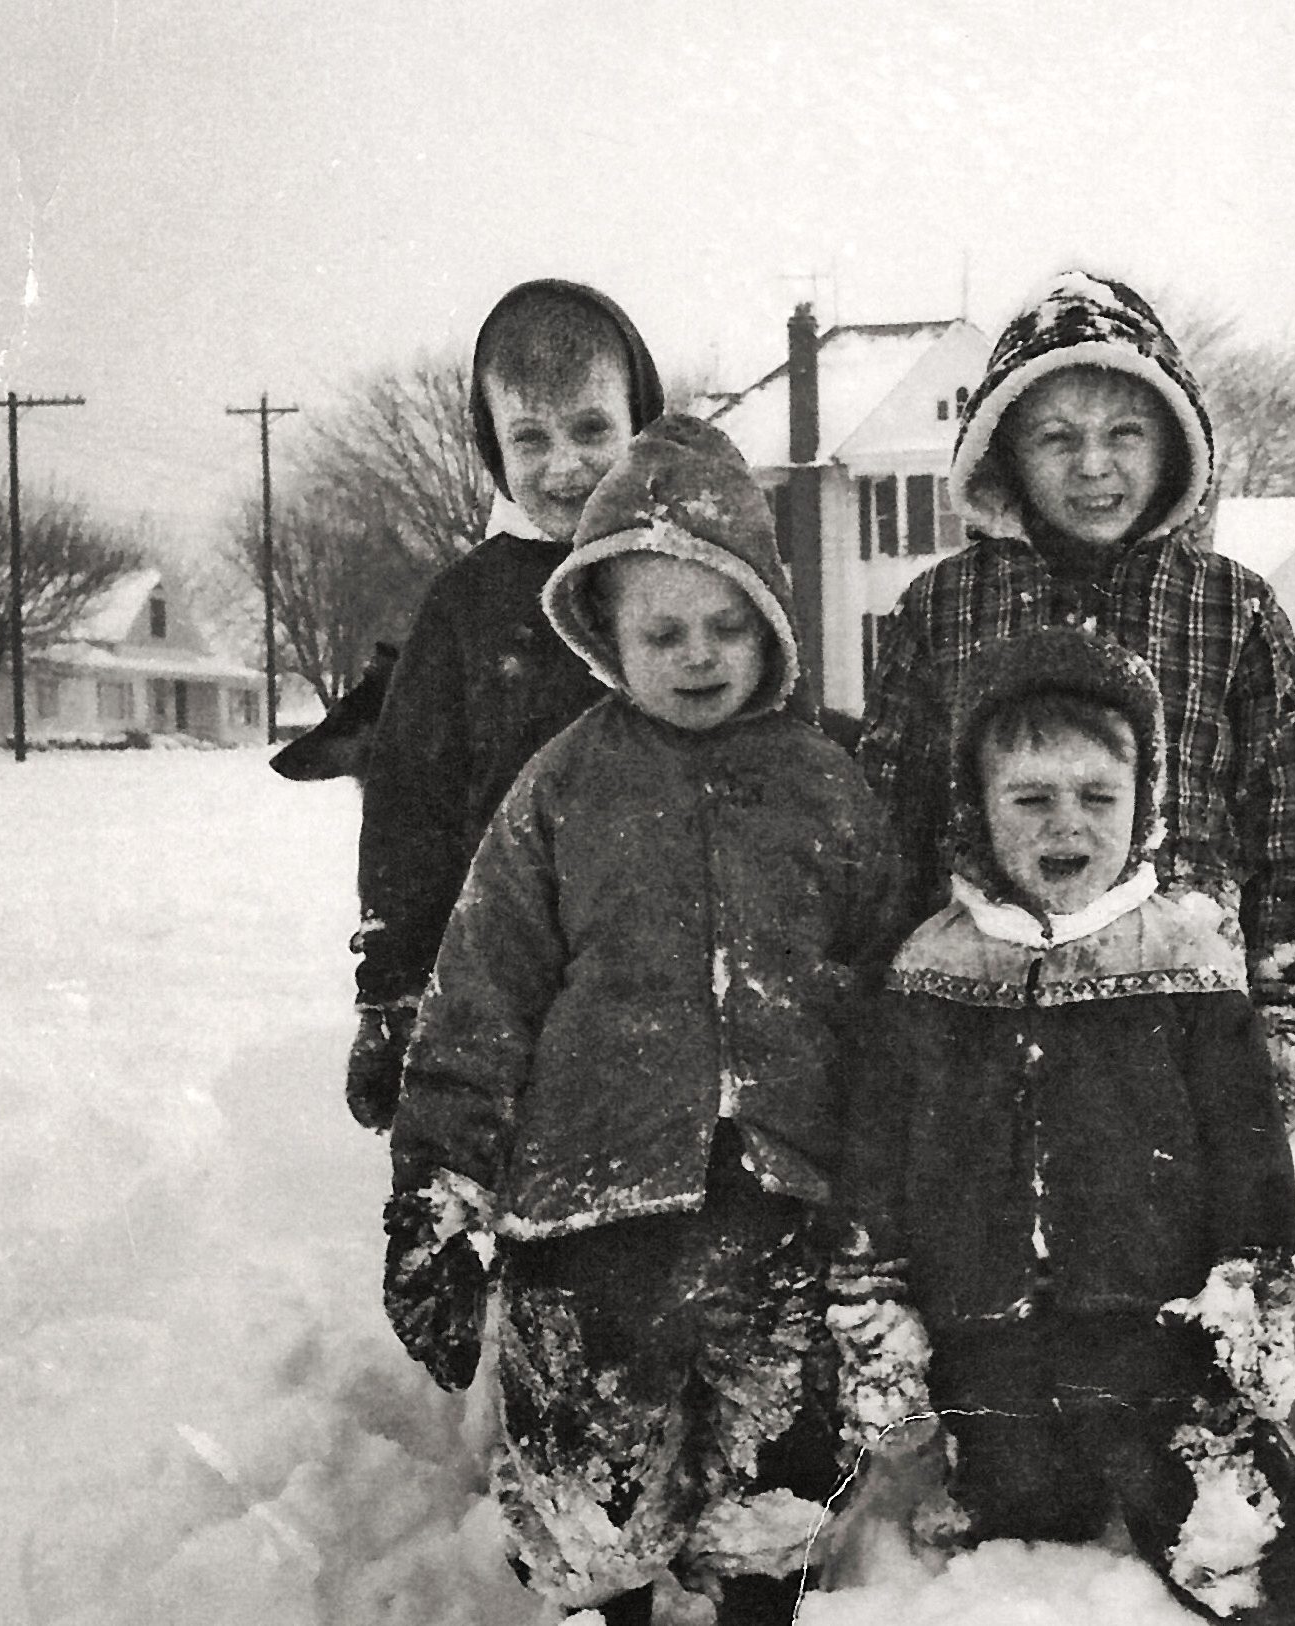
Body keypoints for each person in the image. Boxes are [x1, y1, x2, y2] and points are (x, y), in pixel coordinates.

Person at [382, 413, 897, 1625]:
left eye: (728, 625)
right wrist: (439, 1190)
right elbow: (483, 994)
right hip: (588, 1220)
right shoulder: (559, 788)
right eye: (663, 630)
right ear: (606, 637)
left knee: (779, 1481)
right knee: (587, 1496)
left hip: (781, 1211)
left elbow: (884, 998)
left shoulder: (833, 785)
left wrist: (890, 1184)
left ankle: (759, 1596)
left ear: (772, 620)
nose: (701, 655)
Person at [833, 628, 1295, 1626]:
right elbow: (877, 1163)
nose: (1064, 825)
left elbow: (1245, 1154)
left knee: (1268, 1566)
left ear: (1146, 803)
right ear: (975, 807)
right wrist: (879, 1317)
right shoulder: (929, 969)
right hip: (983, 1350)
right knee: (1011, 1561)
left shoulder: (1185, 955)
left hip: (1155, 1351)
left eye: (1096, 797)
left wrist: (1250, 1283)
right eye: (1029, 798)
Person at [855, 271, 1295, 1126]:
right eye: (1055, 437)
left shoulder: (1234, 608)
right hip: (986, 998)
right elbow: (892, 818)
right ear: (1004, 452)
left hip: (1181, 1001)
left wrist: (1285, 1008)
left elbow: (1290, 824)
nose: (1093, 465)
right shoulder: (941, 609)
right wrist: (886, 1000)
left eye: (1125, 432)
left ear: (1173, 445)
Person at [346, 278, 667, 1132]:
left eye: (592, 428)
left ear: (641, 419)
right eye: (530, 437)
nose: (563, 466)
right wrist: (391, 990)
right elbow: (409, 807)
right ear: (493, 449)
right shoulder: (465, 606)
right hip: (496, 991)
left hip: (667, 987)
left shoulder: (694, 583)